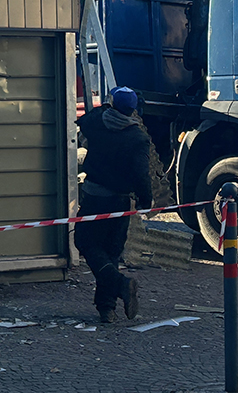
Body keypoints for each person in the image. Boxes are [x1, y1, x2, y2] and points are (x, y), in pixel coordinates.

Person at [74, 86, 153, 323]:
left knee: (85, 242)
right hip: (120, 201)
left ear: (111, 104)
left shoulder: (98, 124)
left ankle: (119, 288)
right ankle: (106, 308)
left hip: (94, 196)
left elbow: (85, 120)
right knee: (111, 252)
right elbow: (142, 174)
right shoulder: (138, 138)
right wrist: (145, 201)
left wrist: (105, 108)